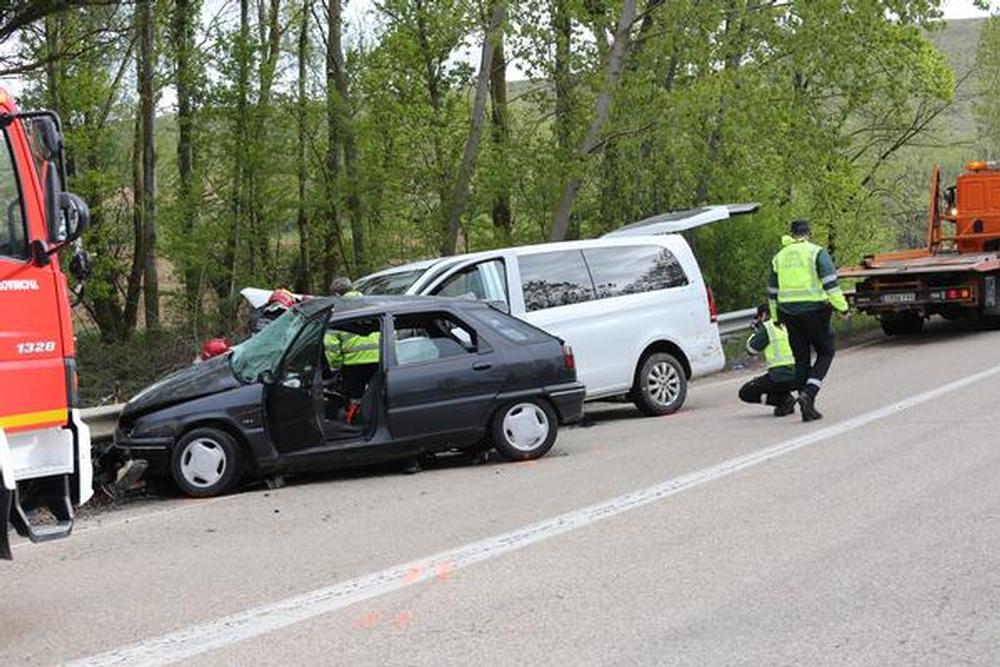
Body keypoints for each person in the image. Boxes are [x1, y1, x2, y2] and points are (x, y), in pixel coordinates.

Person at [768, 219, 849, 422]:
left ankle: (807, 406)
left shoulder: (779, 257)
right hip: (815, 312)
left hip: (788, 314)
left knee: (801, 359)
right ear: (809, 233)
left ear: (791, 233)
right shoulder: (816, 252)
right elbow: (830, 284)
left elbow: (772, 292)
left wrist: (775, 317)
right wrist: (843, 307)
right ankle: (808, 394)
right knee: (826, 352)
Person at [739, 304, 797, 417]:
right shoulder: (790, 322)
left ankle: (782, 401)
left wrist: (757, 331)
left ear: (764, 315)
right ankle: (785, 398)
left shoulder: (768, 327)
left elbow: (751, 349)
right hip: (799, 375)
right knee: (774, 381)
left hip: (779, 376)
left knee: (745, 393)